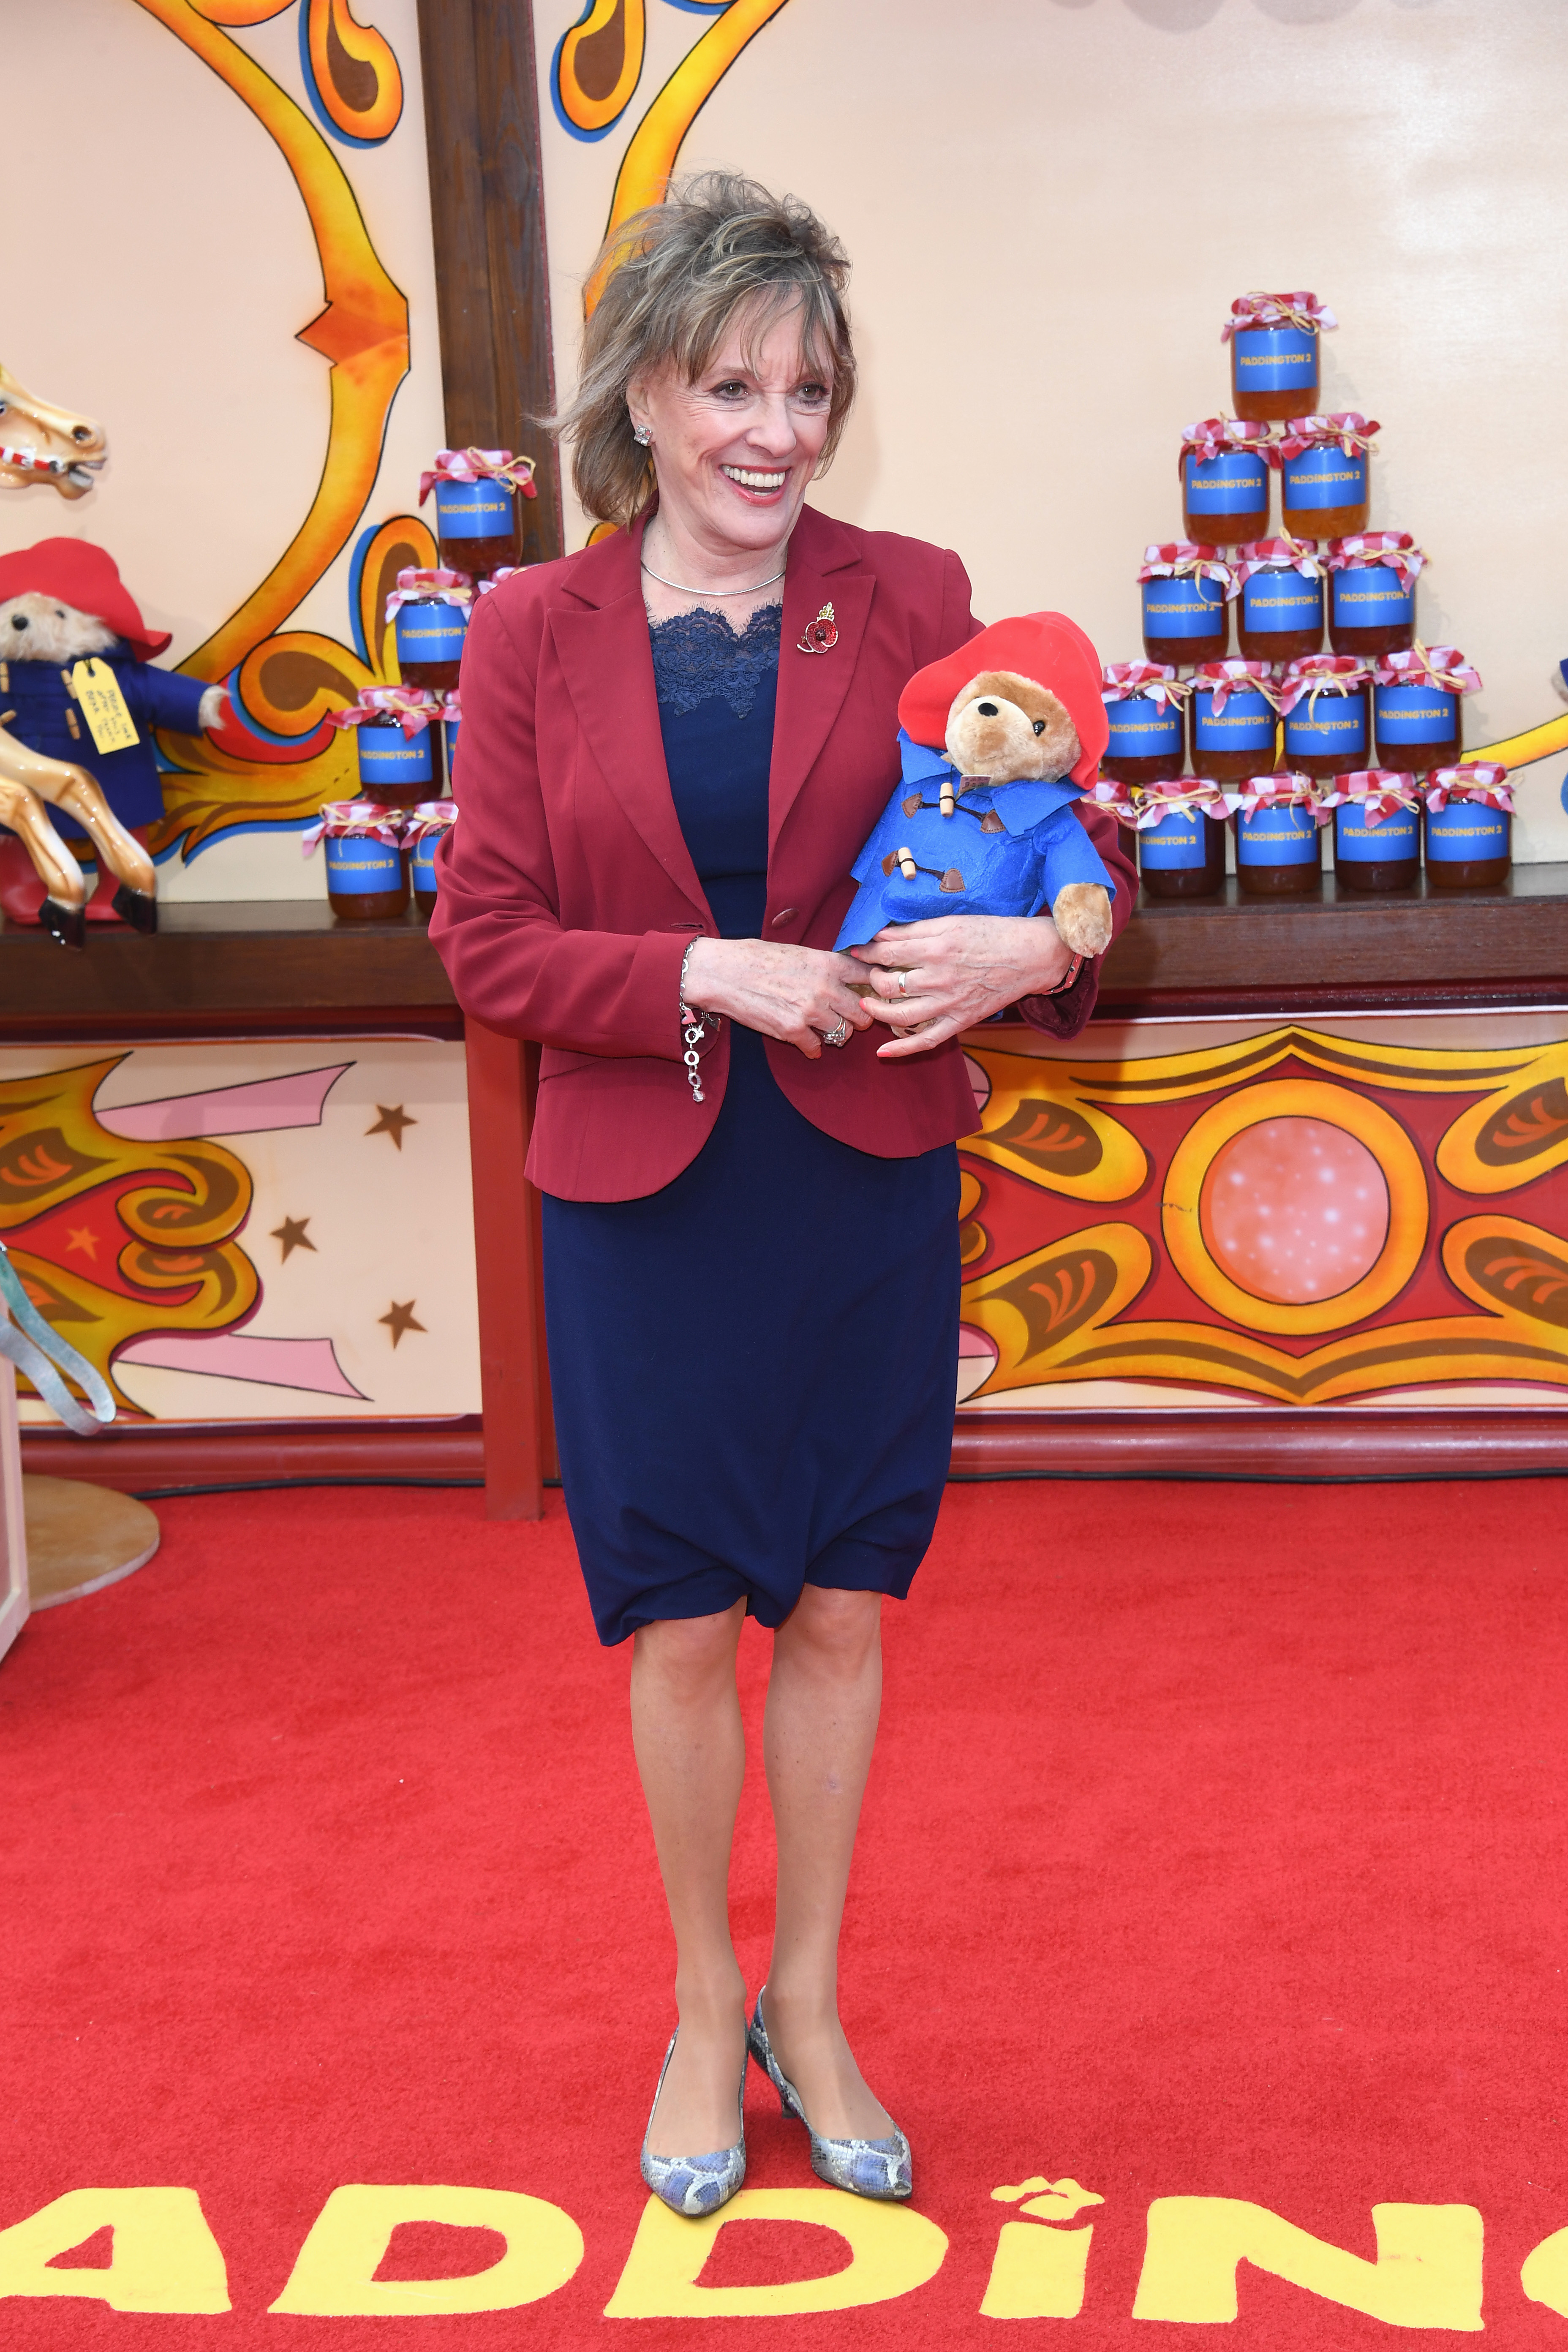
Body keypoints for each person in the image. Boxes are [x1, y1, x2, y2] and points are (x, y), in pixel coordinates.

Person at [430, 173, 1135, 2216]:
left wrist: (1041, 952)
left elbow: (1065, 843)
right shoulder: (525, 629)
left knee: (838, 1601)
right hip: (641, 1185)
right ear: (637, 395)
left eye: (808, 387)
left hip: (860, 1174)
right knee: (673, 1626)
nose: (773, 428)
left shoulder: (915, 593)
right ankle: (695, 2000)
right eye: (726, 382)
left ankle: (810, 2006)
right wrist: (697, 971)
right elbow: (484, 943)